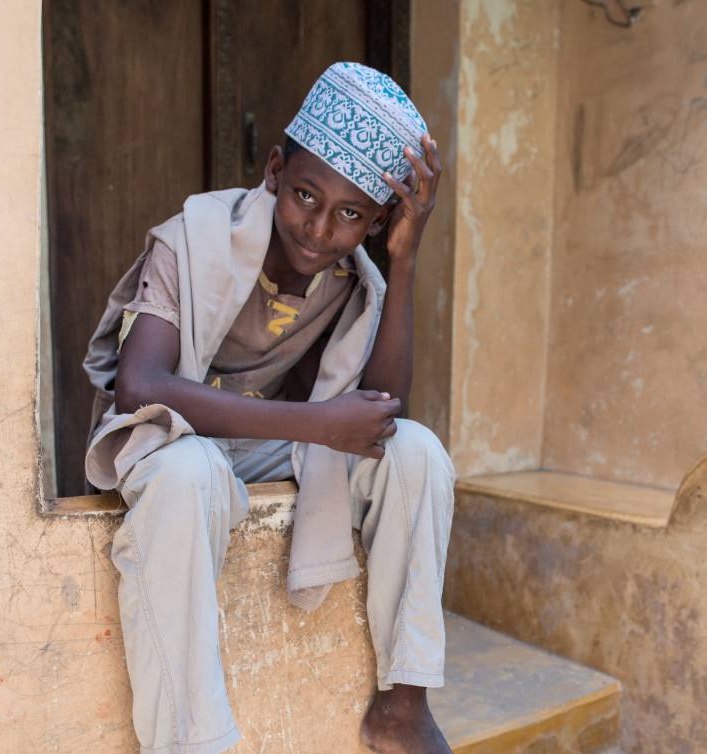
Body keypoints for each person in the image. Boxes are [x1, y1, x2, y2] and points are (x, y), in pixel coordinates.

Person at [83, 62, 455, 754]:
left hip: (256, 446)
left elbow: (381, 412)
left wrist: (403, 260)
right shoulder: (190, 236)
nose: (319, 228)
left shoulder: (351, 282)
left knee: (417, 452)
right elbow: (141, 386)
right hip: (166, 441)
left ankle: (403, 705)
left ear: (374, 223)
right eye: (306, 196)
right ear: (275, 170)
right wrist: (315, 424)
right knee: (187, 475)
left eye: (351, 215)